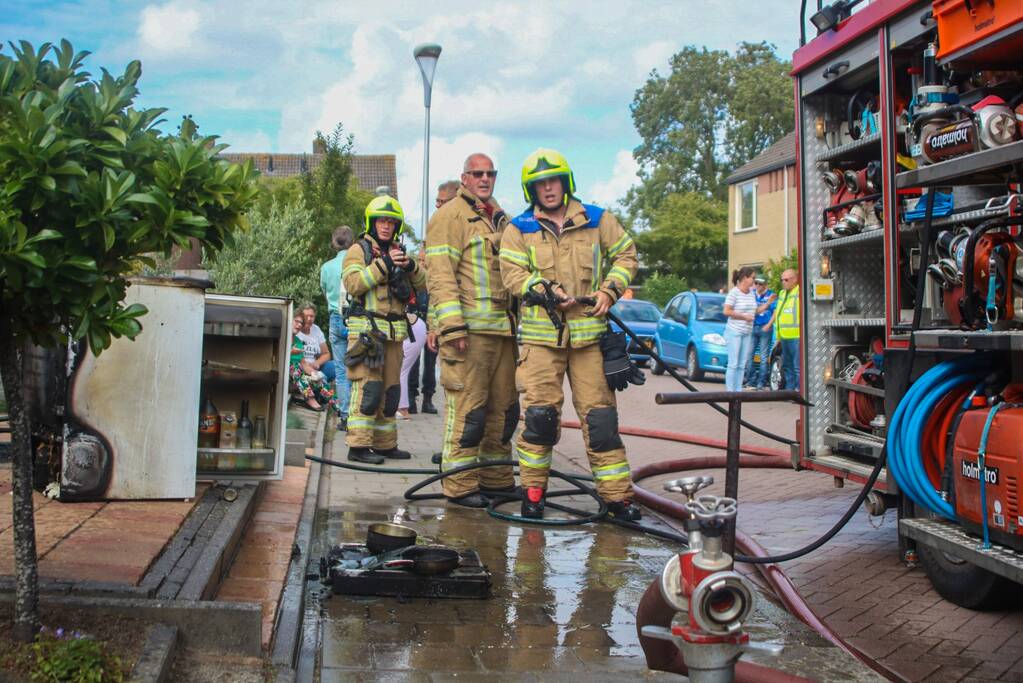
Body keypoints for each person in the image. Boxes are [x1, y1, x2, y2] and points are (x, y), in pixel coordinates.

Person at [499, 148, 643, 521]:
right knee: (540, 419)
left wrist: (609, 290)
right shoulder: (519, 229)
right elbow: (512, 276)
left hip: (590, 343)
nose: (548, 188)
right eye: (539, 184)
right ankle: (533, 494)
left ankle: (617, 499)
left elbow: (627, 256)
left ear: (566, 182)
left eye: (553, 181)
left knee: (601, 422)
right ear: (531, 190)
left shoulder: (598, 219)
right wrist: (544, 290)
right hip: (541, 343)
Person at [426, 154, 517, 508]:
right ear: (464, 177)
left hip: (503, 333)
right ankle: (460, 484)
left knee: (504, 411)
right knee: (469, 411)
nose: (484, 178)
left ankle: (496, 479)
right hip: (469, 334)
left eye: (490, 173)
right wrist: (451, 327)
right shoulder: (449, 216)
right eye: (477, 173)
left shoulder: (499, 217)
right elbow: (440, 274)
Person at [342, 195, 427, 464]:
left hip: (394, 335)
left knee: (391, 391)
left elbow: (424, 283)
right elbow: (354, 284)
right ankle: (357, 447)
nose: (387, 226)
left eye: (391, 222)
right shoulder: (359, 250)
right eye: (382, 220)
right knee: (368, 390)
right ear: (372, 222)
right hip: (367, 334)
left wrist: (411, 266)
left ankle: (385, 444)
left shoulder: (400, 251)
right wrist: (384, 265)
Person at [320, 226, 353, 430]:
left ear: (334, 243)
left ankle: (345, 414)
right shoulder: (357, 264)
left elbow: (325, 293)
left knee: (341, 370)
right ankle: (359, 414)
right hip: (355, 317)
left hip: (335, 317)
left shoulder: (326, 267)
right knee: (358, 367)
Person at [288, 312, 339, 413]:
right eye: (296, 321)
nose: (298, 325)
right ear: (289, 320)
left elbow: (304, 363)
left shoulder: (298, 342)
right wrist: (289, 351)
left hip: (299, 378)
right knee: (295, 367)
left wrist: (314, 373)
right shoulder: (282, 337)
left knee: (319, 380)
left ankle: (337, 405)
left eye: (301, 323)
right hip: (286, 377)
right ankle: (310, 400)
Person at [407, 250, 438, 415]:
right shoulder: (415, 278)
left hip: (432, 326)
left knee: (430, 363)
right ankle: (411, 398)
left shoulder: (436, 279)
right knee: (413, 362)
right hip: (415, 324)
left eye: (424, 260)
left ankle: (428, 399)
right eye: (419, 259)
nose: (421, 263)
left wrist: (433, 328)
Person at [296, 303, 340, 403]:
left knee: (334, 366)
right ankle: (320, 392)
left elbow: (326, 354)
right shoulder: (295, 330)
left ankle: (322, 391)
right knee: (311, 376)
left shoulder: (316, 330)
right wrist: (307, 367)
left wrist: (317, 363)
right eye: (306, 316)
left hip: (315, 367)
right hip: (300, 366)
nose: (309, 319)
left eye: (311, 316)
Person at [723, 267, 757, 392]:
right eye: (752, 278)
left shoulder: (752, 293)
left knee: (742, 364)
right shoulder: (734, 293)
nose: (754, 280)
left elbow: (754, 311)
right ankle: (730, 391)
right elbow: (726, 311)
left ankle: (738, 391)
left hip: (747, 331)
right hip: (734, 331)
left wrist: (768, 304)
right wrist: (743, 316)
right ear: (744, 278)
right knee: (733, 363)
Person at [768, 268, 801, 391]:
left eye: (786, 280)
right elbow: (779, 315)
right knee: (787, 366)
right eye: (782, 280)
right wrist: (778, 337)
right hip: (784, 337)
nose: (784, 282)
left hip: (797, 337)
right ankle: (789, 391)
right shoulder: (782, 294)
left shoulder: (799, 293)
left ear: (795, 279)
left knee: (797, 367)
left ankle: (799, 392)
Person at [397, 294, 427, 420]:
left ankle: (403, 410)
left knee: (400, 370)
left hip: (414, 329)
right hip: (415, 327)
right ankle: (401, 408)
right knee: (400, 369)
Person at [744, 275, 777, 390]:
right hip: (753, 327)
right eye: (756, 283)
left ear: (765, 285)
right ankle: (751, 381)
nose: (757, 285)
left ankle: (761, 383)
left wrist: (769, 325)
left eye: (760, 284)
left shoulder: (771, 295)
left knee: (763, 357)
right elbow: (752, 312)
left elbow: (775, 312)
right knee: (749, 356)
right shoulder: (752, 295)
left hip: (765, 328)